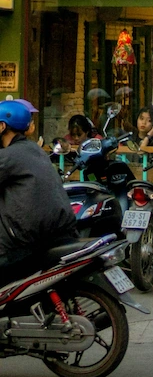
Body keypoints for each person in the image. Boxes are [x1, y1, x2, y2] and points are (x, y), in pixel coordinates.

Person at [0, 99, 79, 284]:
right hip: (61, 231)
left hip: (27, 240)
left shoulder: (9, 156)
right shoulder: (34, 149)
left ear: (2, 126)